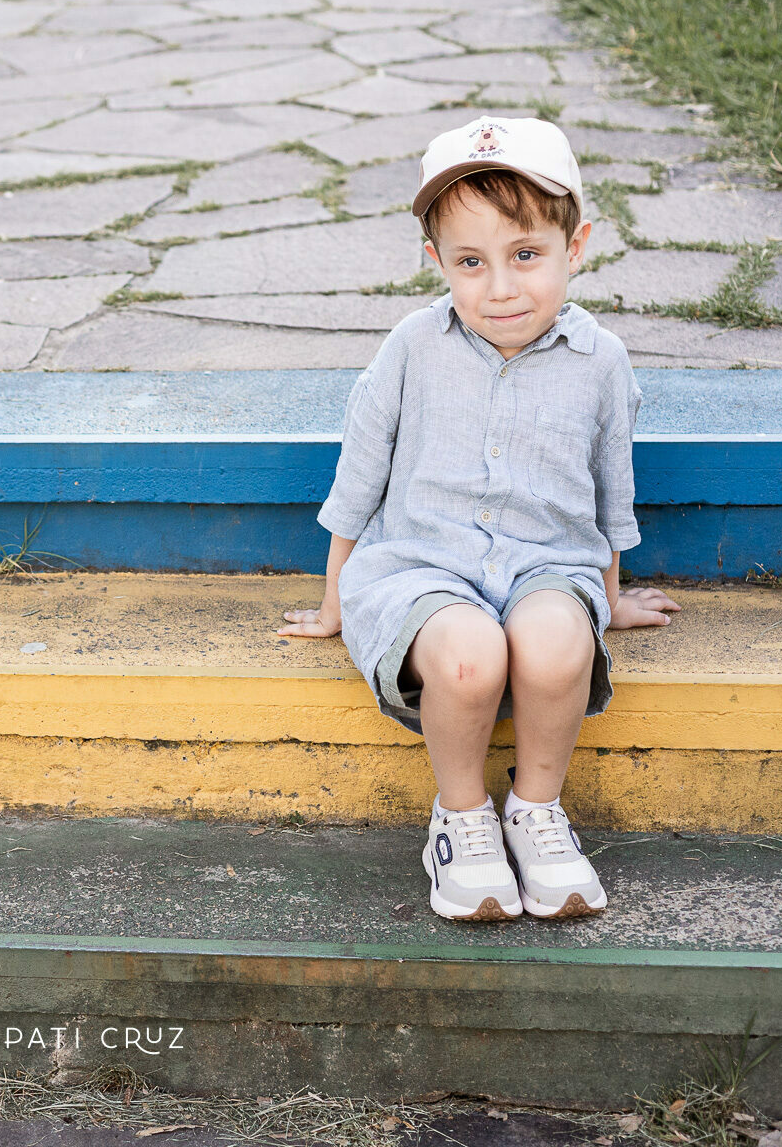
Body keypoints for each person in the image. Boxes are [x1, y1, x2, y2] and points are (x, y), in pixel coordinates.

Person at [277, 116, 680, 922]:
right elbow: (359, 478)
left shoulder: (600, 360)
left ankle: (536, 810)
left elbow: (610, 494)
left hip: (546, 565)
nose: (500, 288)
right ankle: (461, 818)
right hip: (423, 568)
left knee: (557, 646)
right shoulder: (412, 347)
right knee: (467, 660)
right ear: (437, 262)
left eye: (525, 255)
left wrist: (607, 599)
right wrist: (334, 602)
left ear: (576, 246)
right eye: (471, 262)